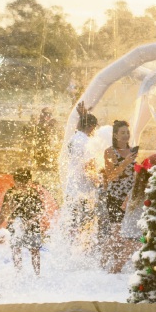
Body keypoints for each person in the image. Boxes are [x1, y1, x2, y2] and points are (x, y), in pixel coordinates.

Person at [0, 168, 47, 275]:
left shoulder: (34, 193)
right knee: (16, 249)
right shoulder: (10, 193)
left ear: (29, 181)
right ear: (15, 181)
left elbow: (40, 212)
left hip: (32, 226)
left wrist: (30, 221)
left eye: (24, 183)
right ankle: (19, 273)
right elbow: (5, 212)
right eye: (19, 183)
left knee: (34, 250)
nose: (21, 186)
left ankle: (37, 274)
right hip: (15, 226)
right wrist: (12, 219)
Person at [100, 120, 139, 272]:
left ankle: (117, 263)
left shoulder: (132, 150)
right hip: (115, 195)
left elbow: (132, 173)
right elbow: (111, 176)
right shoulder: (110, 152)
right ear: (115, 135)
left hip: (129, 196)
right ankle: (102, 263)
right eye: (122, 133)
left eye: (127, 132)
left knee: (126, 231)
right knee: (116, 232)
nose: (126, 135)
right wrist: (126, 161)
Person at [64, 102, 100, 242]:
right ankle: (79, 249)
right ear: (91, 127)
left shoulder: (74, 138)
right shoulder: (86, 142)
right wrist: (99, 181)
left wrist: (84, 116)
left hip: (72, 188)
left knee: (73, 222)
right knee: (84, 224)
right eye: (94, 127)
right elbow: (88, 167)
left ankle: (71, 247)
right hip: (84, 190)